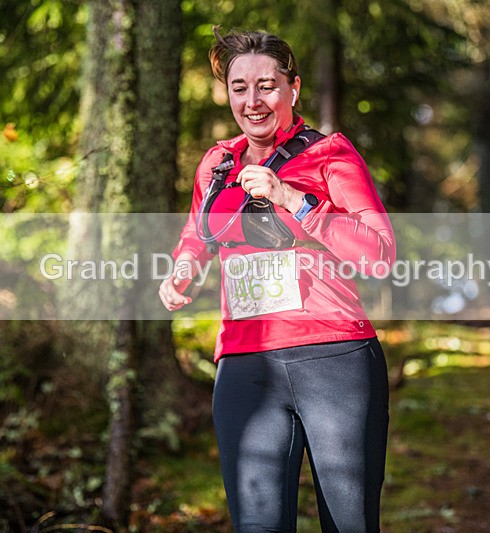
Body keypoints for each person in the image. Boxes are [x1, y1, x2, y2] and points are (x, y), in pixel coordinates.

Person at [159, 27, 396, 533]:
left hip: (333, 359)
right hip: (244, 365)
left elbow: (379, 254)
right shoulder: (216, 164)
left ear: (293, 88)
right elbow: (196, 236)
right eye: (239, 87)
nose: (253, 101)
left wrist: (293, 200)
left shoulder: (330, 154)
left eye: (267, 86)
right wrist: (182, 273)